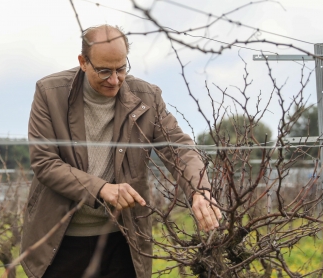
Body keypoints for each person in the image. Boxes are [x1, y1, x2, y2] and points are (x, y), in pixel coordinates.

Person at [21, 25, 222, 278]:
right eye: (104, 71)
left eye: (121, 69)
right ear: (83, 62)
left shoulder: (147, 96)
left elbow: (177, 147)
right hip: (60, 241)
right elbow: (45, 162)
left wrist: (199, 190)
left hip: (124, 239)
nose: (115, 80)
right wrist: (102, 188)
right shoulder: (50, 93)